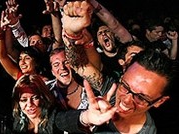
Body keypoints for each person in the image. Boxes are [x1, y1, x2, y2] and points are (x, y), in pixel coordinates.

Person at [61, 1, 178, 133]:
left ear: (159, 101)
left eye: (141, 98)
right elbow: (80, 65)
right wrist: (71, 34)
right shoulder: (112, 92)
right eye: (125, 86)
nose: (126, 100)